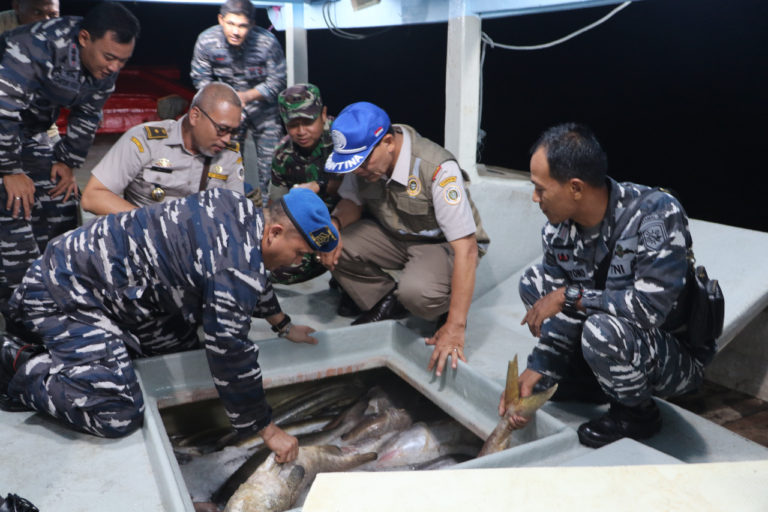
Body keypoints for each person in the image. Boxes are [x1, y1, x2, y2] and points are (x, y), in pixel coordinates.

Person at [0, 187, 339, 464]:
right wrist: (266, 429)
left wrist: (281, 324)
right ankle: (19, 361)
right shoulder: (233, 267)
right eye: (299, 253)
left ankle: (83, 355)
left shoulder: (239, 208)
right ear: (275, 232)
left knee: (186, 358)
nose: (298, 263)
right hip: (67, 292)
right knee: (117, 412)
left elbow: (252, 274)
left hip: (116, 288)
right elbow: (230, 353)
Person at [500, 123, 708, 448]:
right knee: (535, 283)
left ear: (576, 188)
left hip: (671, 354)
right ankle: (588, 377)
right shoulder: (556, 233)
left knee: (599, 329)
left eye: (541, 189)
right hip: (617, 333)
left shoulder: (654, 214)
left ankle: (636, 413)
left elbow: (650, 309)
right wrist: (541, 367)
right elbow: (563, 314)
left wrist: (571, 295)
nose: (534, 197)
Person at [321, 101, 490, 378]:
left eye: (363, 163)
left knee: (418, 293)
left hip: (441, 244)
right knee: (335, 245)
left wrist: (456, 326)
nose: (358, 171)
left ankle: (435, 304)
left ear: (387, 141)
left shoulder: (436, 167)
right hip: (396, 234)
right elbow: (351, 202)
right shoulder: (365, 165)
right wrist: (333, 228)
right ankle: (390, 301)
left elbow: (467, 249)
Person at [0, 1, 140, 315]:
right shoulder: (35, 45)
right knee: (14, 204)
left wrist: (66, 160)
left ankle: (55, 289)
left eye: (123, 60)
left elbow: (88, 112)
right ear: (84, 38)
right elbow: (4, 110)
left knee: (60, 195)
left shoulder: (103, 63)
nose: (115, 68)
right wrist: (9, 170)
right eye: (110, 58)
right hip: (4, 124)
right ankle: (21, 311)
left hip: (28, 131)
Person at [81, 82, 245, 215]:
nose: (226, 139)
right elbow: (93, 197)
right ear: (195, 116)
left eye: (233, 131)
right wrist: (152, 226)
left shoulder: (229, 155)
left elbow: (236, 215)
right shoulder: (145, 141)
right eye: (222, 129)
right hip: (145, 244)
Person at [190, 0, 287, 207]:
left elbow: (278, 81)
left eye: (242, 26)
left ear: (251, 24)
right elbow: (201, 80)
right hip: (225, 111)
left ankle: (271, 211)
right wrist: (224, 103)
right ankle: (232, 208)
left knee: (272, 164)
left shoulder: (267, 42)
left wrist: (244, 97)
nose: (236, 31)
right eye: (231, 24)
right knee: (227, 162)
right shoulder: (206, 41)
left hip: (263, 109)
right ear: (220, 20)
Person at [268, 83, 342, 285]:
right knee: (282, 270)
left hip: (346, 217)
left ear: (323, 114)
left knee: (345, 254)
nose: (301, 131)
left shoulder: (342, 139)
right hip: (308, 224)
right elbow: (277, 204)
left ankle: (344, 277)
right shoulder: (282, 154)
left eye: (308, 121)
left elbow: (358, 189)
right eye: (293, 124)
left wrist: (320, 185)